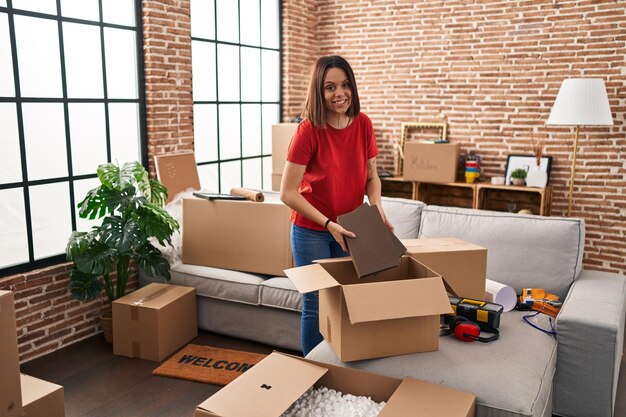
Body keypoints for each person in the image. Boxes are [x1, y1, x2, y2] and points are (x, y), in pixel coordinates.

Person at [280, 55, 393, 356]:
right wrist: (329, 224)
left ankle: (343, 367)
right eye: (330, 87)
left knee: (346, 300)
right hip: (312, 231)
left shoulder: (364, 124)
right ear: (319, 90)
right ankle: (317, 374)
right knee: (316, 303)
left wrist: (377, 205)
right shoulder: (307, 131)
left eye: (344, 85)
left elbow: (372, 177)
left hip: (352, 228)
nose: (339, 93)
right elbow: (287, 193)